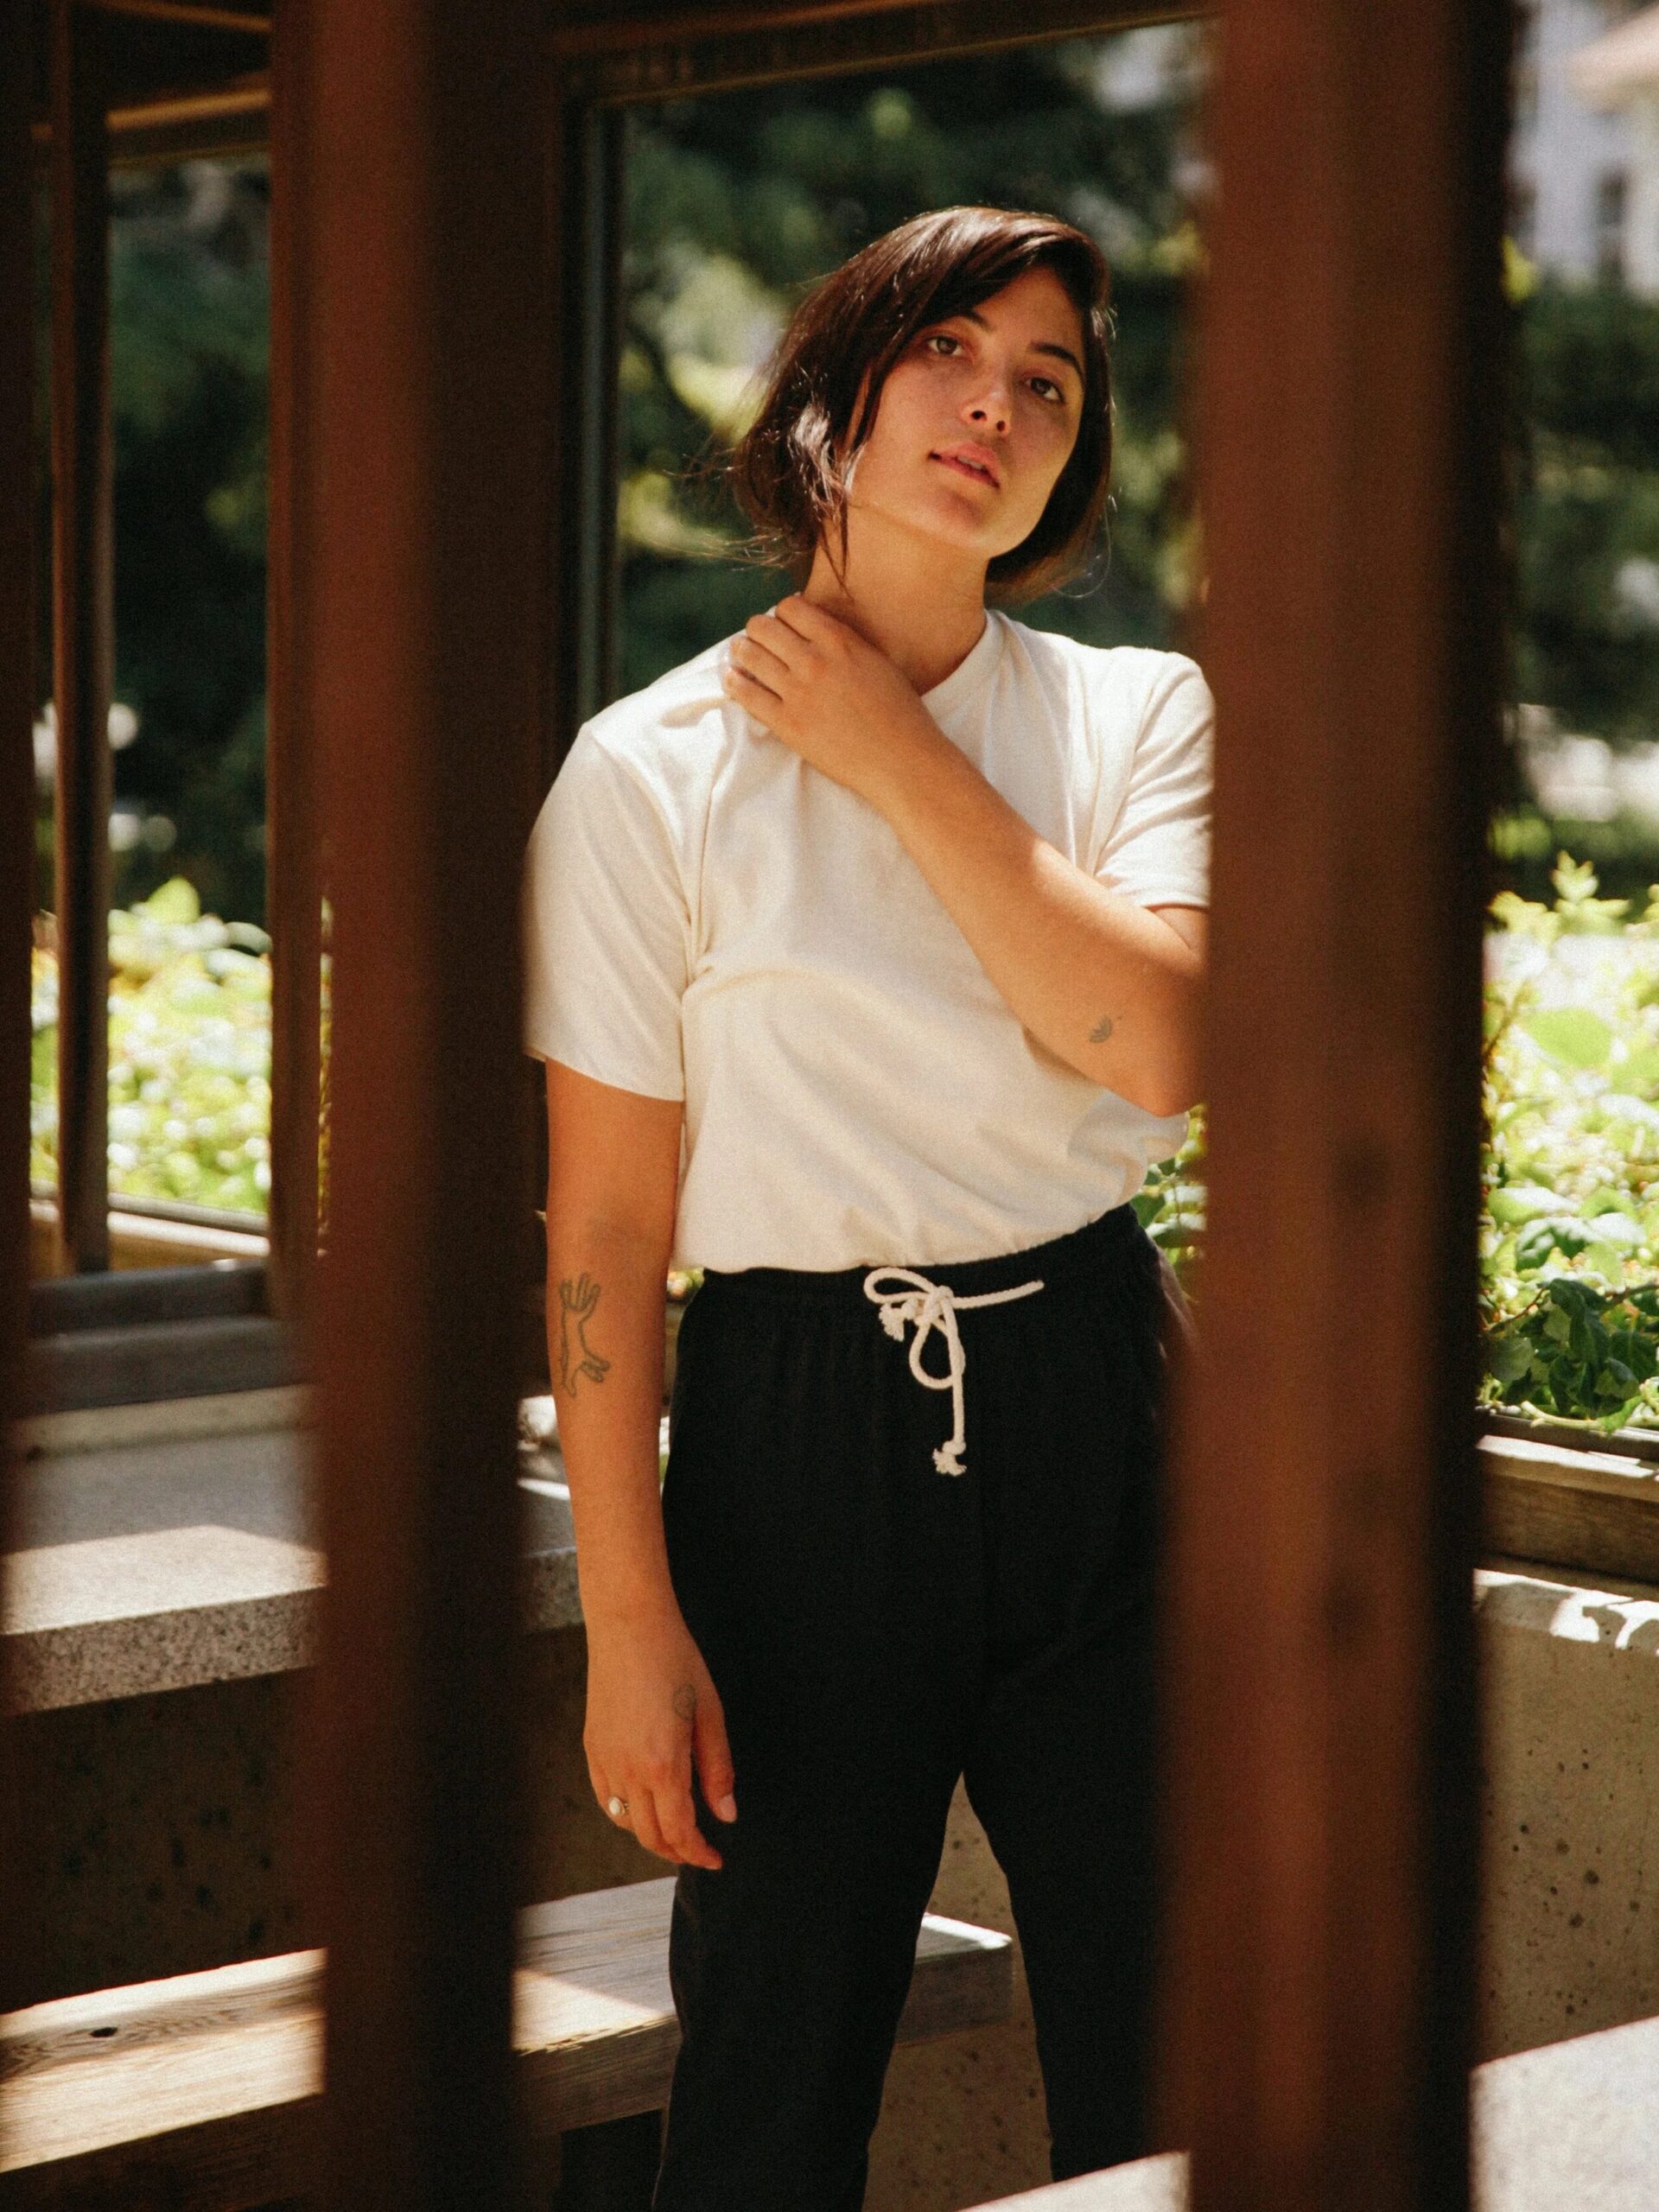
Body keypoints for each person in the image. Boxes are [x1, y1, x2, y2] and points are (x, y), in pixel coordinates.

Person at [520, 202, 1212, 2212]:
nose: (995, 409)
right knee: (775, 2047)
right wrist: (628, 1619)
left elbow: (1152, 1040)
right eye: (949, 356)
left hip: (1100, 1386)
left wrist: (888, 746)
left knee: (1163, 2032)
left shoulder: (1134, 714)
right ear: (833, 386)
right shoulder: (642, 775)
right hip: (797, 1418)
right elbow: (603, 1228)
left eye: (1050, 383)